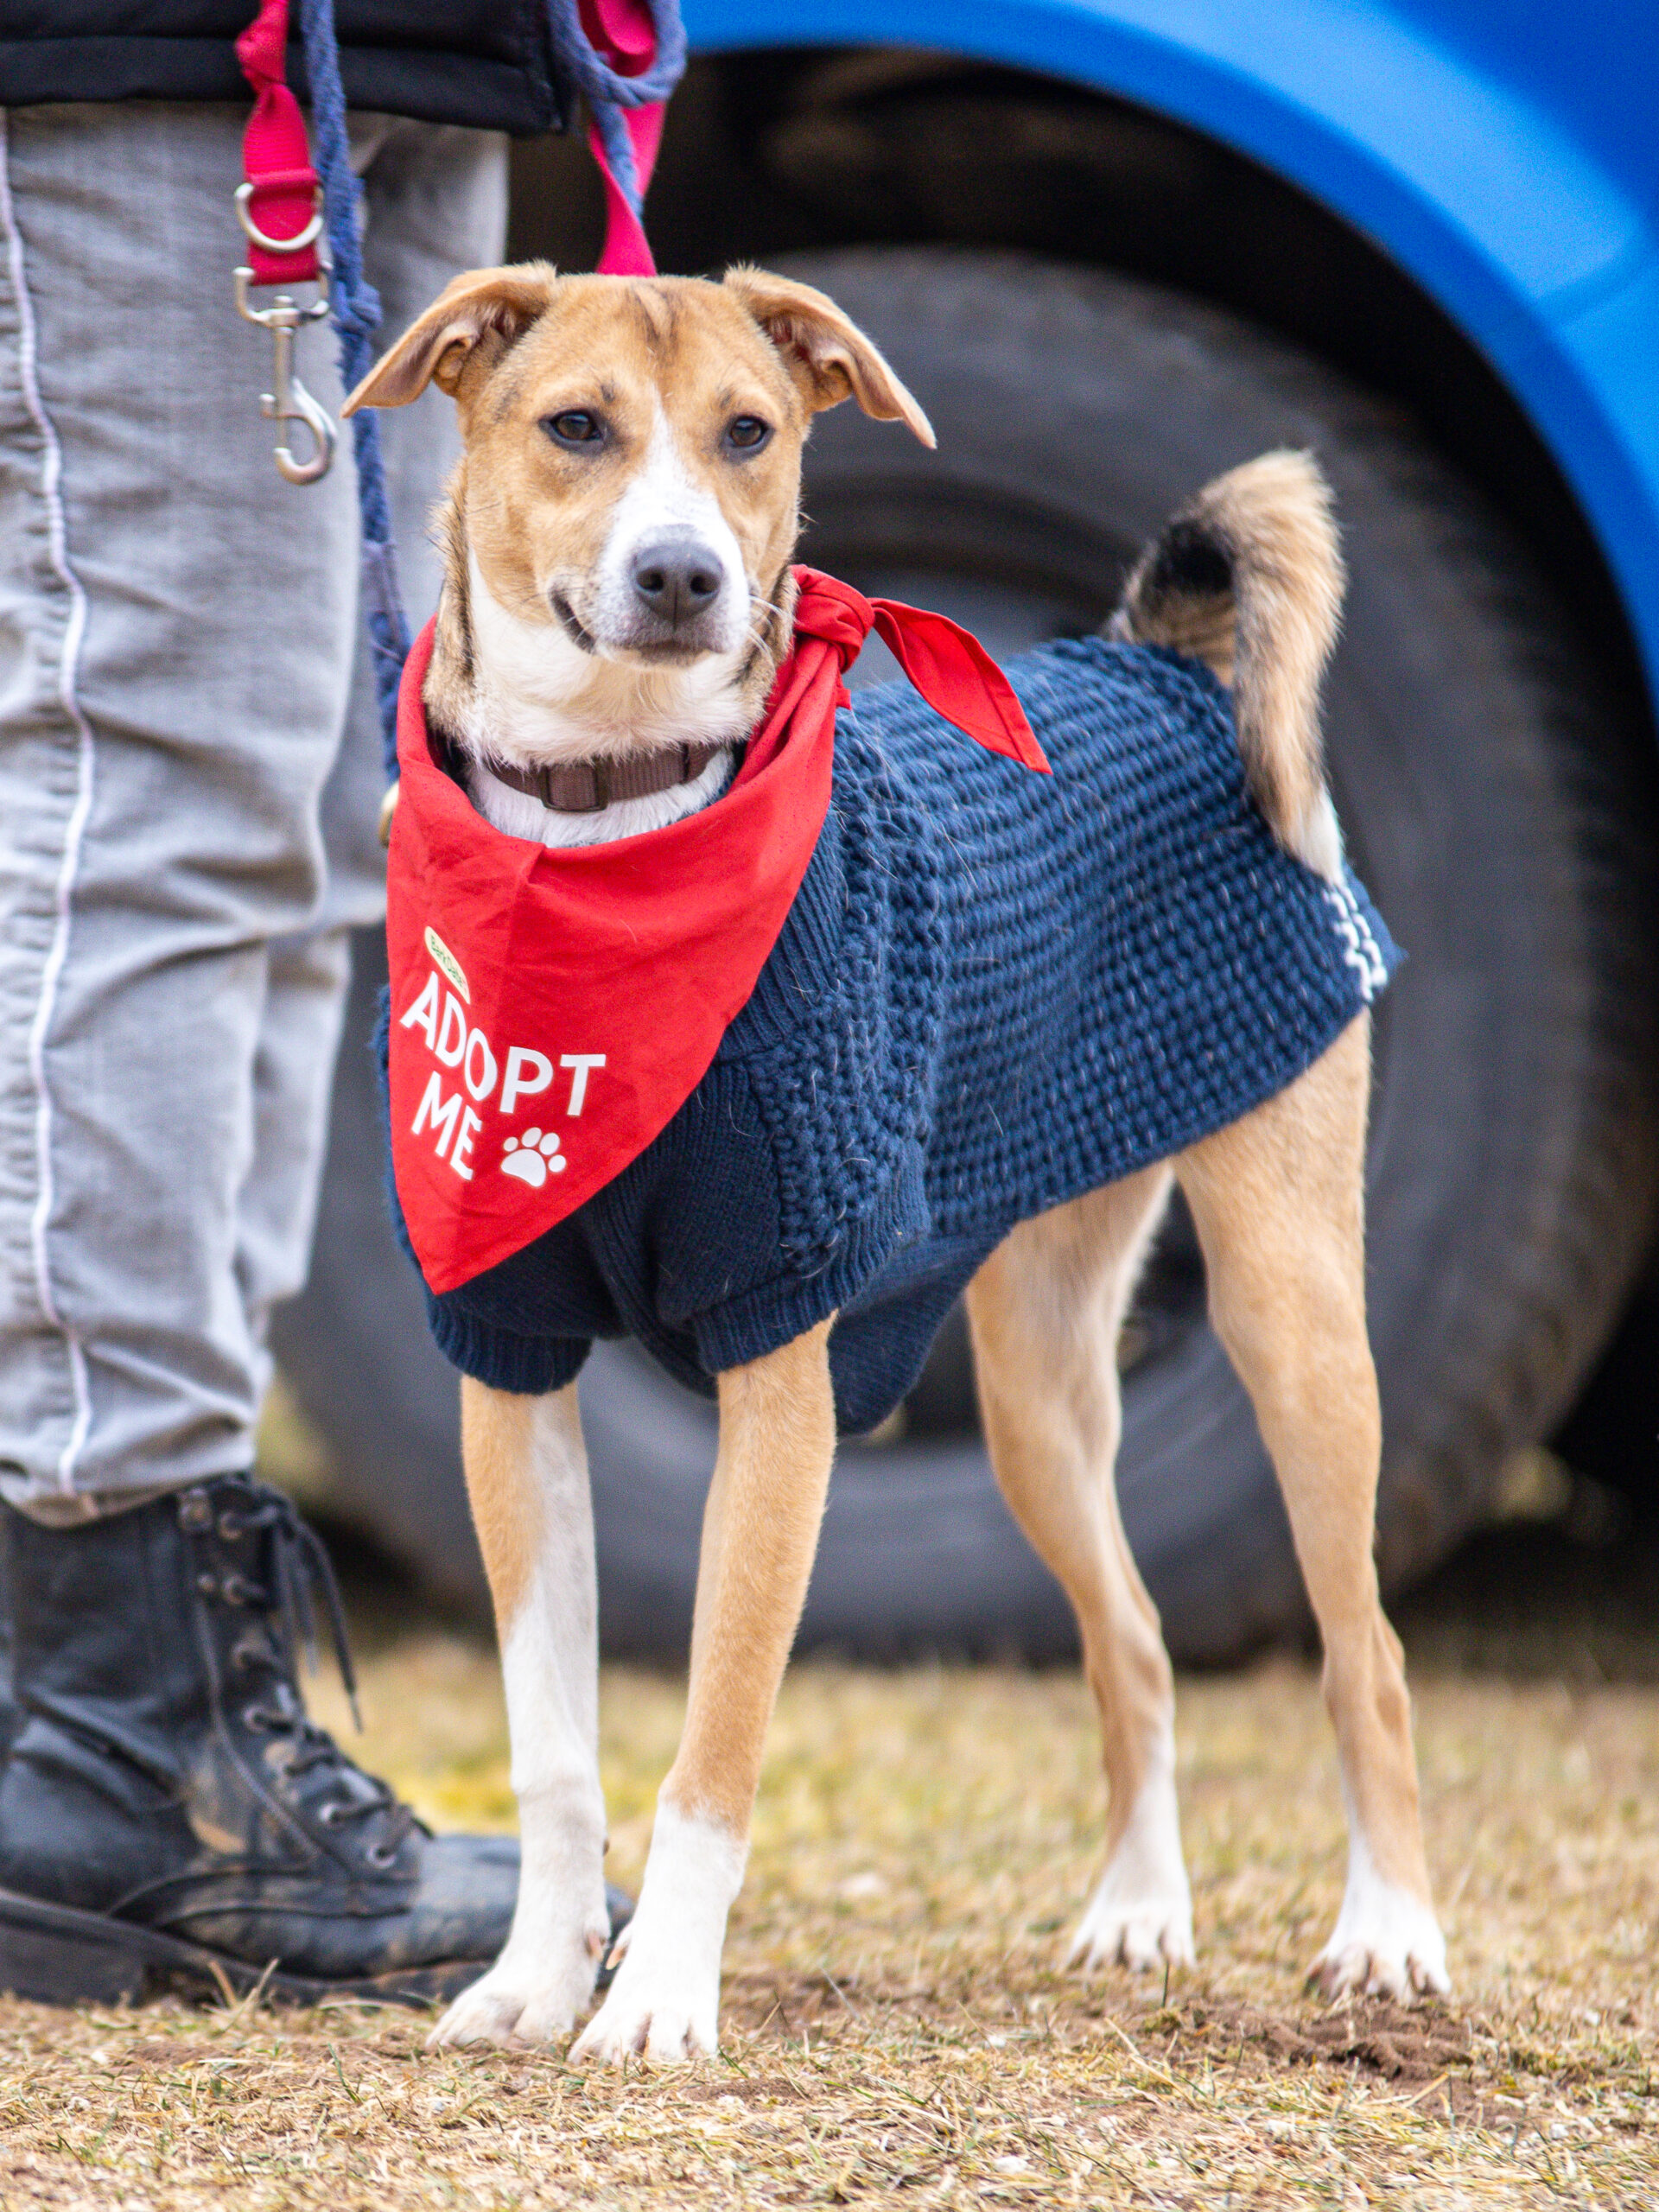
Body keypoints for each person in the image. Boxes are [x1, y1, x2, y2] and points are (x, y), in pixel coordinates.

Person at [0, 7, 586, 2005]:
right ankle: (111, 1720)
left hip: (447, 45)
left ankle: (154, 1686)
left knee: (346, 799)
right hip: (161, 47)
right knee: (169, 770)